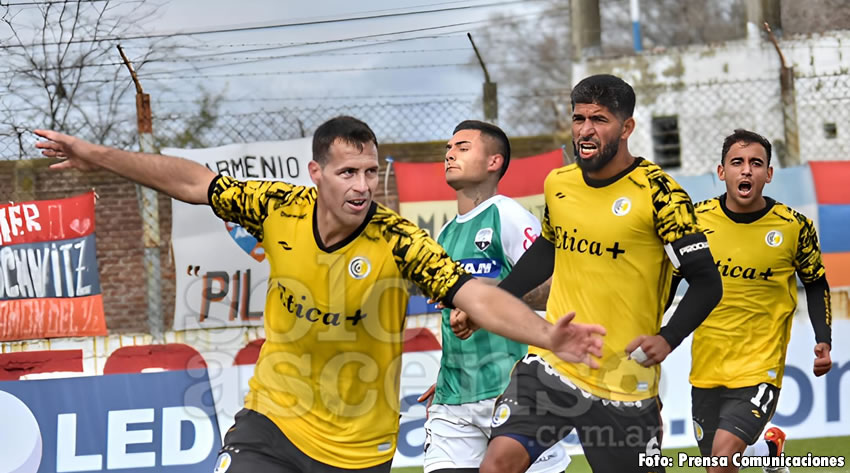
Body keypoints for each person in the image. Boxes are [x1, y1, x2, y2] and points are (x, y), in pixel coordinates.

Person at [34, 116, 606, 473]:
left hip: (359, 448)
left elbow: (474, 296)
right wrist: (96, 155)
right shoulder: (277, 207)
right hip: (273, 423)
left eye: (371, 173)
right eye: (348, 173)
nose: (362, 187)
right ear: (316, 172)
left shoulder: (399, 239)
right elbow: (191, 182)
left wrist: (544, 333)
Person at [449, 74, 725, 473]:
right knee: (497, 464)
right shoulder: (559, 183)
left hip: (623, 380)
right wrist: (488, 305)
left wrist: (668, 338)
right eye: (579, 119)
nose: (585, 130)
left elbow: (706, 281)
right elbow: (548, 251)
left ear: (626, 127)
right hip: (552, 364)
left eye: (599, 119)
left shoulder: (661, 194)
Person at [675, 129, 833, 473]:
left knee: (720, 461)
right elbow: (668, 280)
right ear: (722, 172)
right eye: (737, 162)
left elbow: (816, 282)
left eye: (755, 163)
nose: (746, 170)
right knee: (716, 464)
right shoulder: (695, 223)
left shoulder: (794, 227)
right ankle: (768, 451)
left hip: (759, 366)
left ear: (769, 174)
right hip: (707, 366)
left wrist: (824, 340)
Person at [417, 120, 569, 473]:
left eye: (463, 147)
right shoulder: (444, 235)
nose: (450, 154)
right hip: (454, 398)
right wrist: (443, 377)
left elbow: (554, 286)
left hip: (513, 390)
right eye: (448, 149)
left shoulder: (507, 214)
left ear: (494, 162)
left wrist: (484, 296)